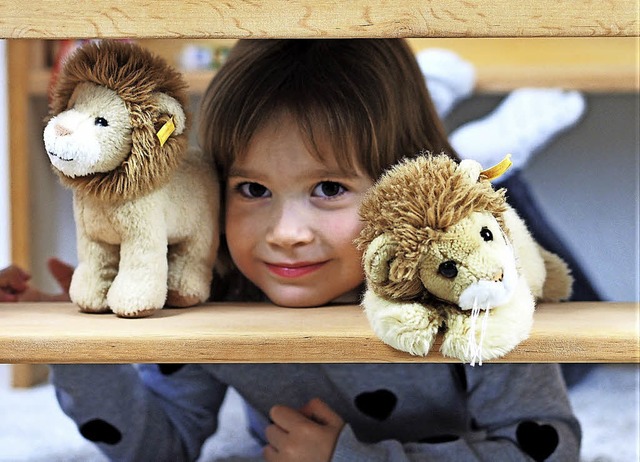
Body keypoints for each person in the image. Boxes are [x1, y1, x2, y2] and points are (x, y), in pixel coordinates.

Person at [3, 39, 580, 461]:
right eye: (253, 189)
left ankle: (474, 138)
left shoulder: (472, 285)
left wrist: (352, 459)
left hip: (465, 241)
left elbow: (544, 447)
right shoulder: (216, 290)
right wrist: (72, 346)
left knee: (486, 188)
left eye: (328, 189)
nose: (285, 232)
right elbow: (161, 444)